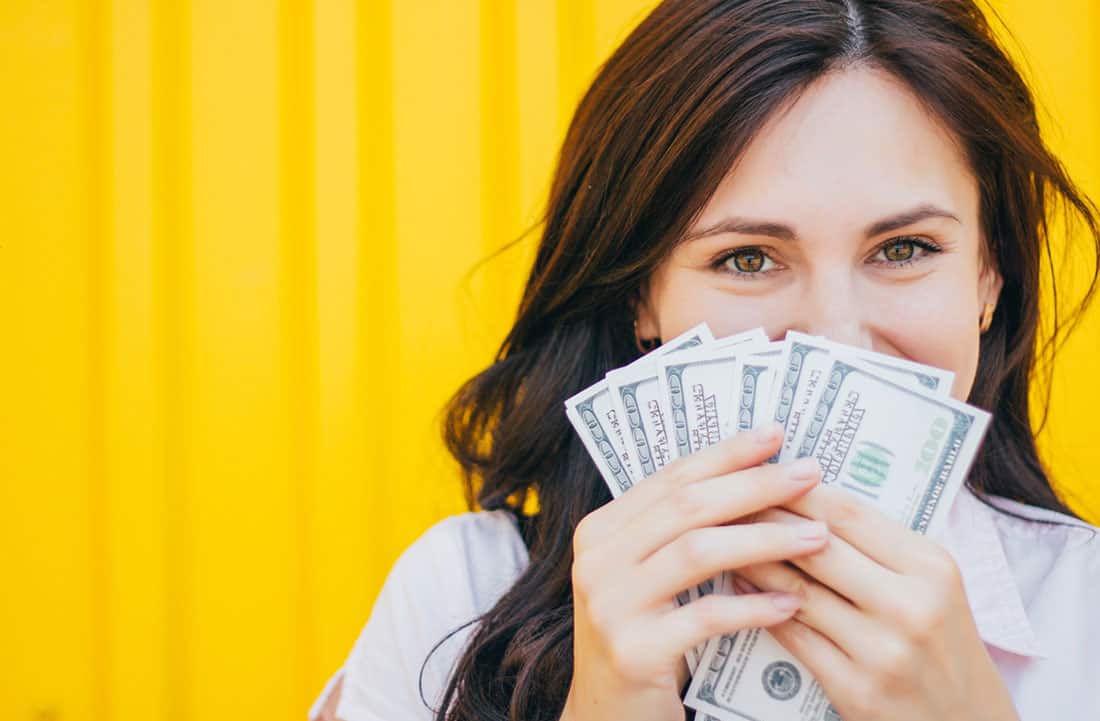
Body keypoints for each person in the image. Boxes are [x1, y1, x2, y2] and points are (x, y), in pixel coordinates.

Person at [309, 1, 1100, 719]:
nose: (834, 337)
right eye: (748, 258)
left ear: (989, 274)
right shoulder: (458, 599)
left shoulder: (1085, 615)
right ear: (640, 296)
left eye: (903, 248)